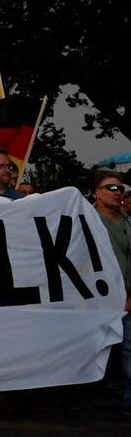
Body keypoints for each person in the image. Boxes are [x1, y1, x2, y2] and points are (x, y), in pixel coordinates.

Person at [94, 172, 131, 415]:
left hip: (126, 297)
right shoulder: (83, 220)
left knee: (129, 348)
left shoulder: (129, 222)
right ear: (96, 193)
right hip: (94, 298)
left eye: (121, 189)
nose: (118, 192)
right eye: (111, 187)